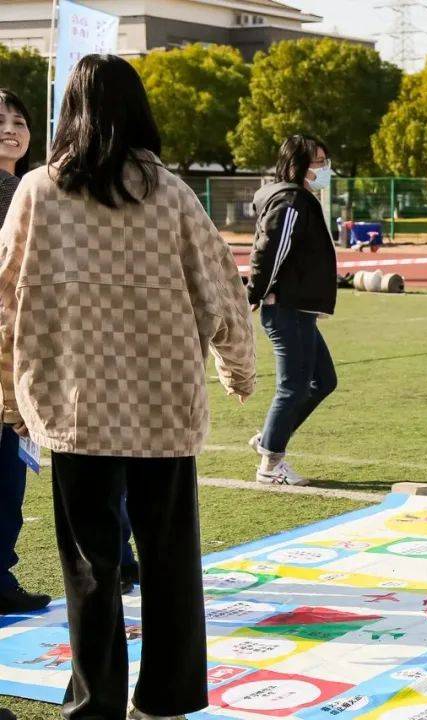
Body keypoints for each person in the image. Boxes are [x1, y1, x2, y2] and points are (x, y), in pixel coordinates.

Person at [0, 54, 255, 719]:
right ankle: (166, 698)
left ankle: (97, 700)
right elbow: (223, 288)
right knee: (170, 558)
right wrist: (237, 365)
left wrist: (6, 396)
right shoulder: (169, 193)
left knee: (90, 566)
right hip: (164, 403)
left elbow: (2, 300)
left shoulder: (37, 192)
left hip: (72, 404)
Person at [247, 135, 339, 486]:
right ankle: (270, 465)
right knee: (294, 386)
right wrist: (254, 293)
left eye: (324, 160)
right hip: (286, 308)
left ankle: (270, 437)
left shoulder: (297, 200)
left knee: (323, 381)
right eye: (317, 161)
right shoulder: (290, 201)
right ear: (297, 164)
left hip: (299, 310)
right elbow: (271, 249)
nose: (324, 168)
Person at [0, 88, 50, 616]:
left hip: (19, 350)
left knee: (11, 471)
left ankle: (1, 573)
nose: (12, 128)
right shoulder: (15, 194)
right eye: (1, 120)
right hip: (4, 352)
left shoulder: (24, 187)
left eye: (20, 120)